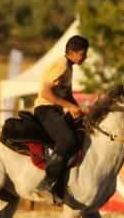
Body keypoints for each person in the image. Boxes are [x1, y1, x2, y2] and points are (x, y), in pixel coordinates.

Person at [33, 34, 90, 200]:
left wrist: (80, 109)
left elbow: (67, 96)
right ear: (73, 52)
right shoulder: (61, 65)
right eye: (83, 53)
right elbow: (45, 92)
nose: (85, 57)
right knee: (67, 141)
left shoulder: (69, 67)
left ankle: (63, 185)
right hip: (46, 110)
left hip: (55, 111)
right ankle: (47, 182)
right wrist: (70, 107)